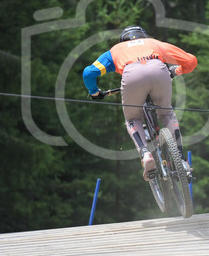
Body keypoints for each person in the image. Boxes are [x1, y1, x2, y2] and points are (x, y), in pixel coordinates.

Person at [83, 26, 197, 181]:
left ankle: (145, 153)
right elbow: (191, 61)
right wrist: (175, 71)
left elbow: (88, 73)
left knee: (132, 119)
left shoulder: (116, 50)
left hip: (132, 76)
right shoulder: (154, 43)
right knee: (166, 113)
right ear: (143, 36)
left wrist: (95, 92)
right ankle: (182, 160)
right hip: (159, 71)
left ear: (123, 40)